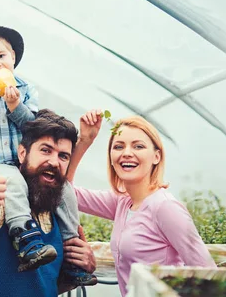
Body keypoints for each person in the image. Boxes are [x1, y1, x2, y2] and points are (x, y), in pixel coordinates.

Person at [0, 20, 94, 284]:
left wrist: (14, 105)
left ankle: (71, 250)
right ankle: (25, 238)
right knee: (11, 179)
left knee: (65, 189)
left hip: (17, 170)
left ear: (13, 58)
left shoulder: (25, 91)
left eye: (1, 56)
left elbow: (32, 129)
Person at [67, 110, 217, 296]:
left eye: (138, 146)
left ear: (156, 157)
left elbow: (208, 273)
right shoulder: (122, 202)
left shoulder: (165, 208)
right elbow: (65, 192)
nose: (127, 153)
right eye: (119, 146)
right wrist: (84, 141)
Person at [0, 109, 97, 297]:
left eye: (63, 156)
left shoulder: (59, 213)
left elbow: (47, 285)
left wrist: (82, 264)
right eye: (45, 150)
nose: (54, 162)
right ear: (22, 153)